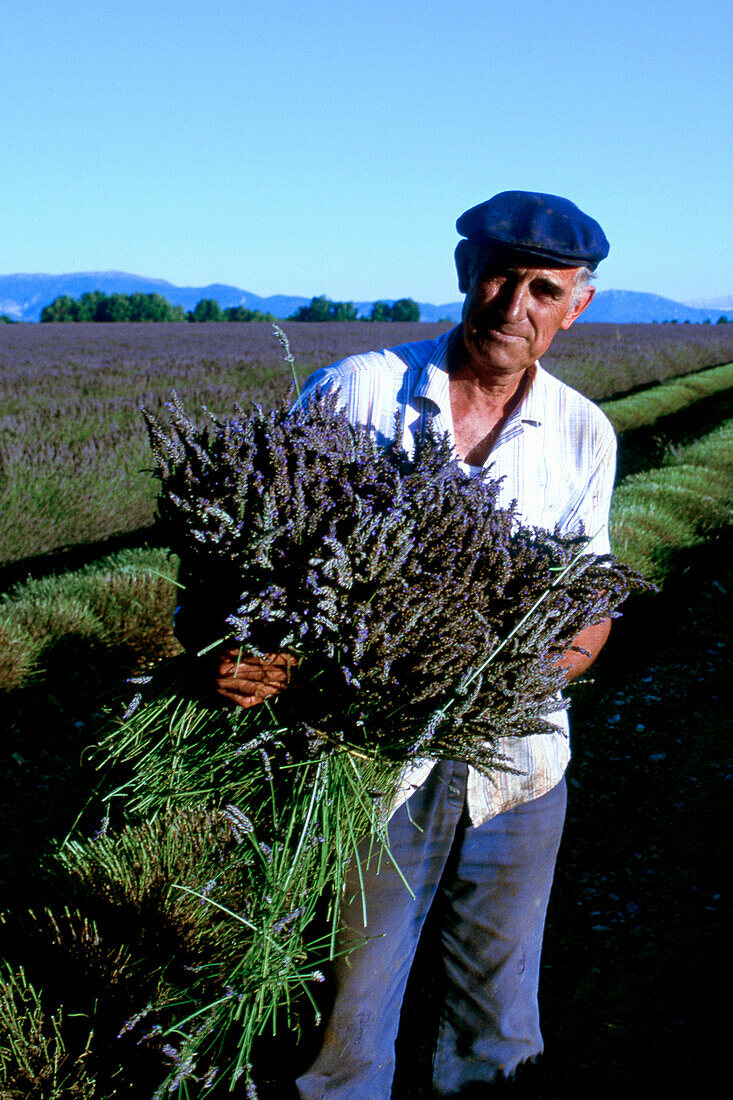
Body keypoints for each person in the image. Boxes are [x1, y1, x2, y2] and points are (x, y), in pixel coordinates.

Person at [215, 191, 615, 1097]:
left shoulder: (585, 431)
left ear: (576, 306)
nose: (515, 308)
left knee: (502, 1026)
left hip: (517, 763)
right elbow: (264, 562)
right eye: (499, 279)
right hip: (365, 761)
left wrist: (533, 670)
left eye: (544, 291)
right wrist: (253, 655)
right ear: (463, 274)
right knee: (347, 1021)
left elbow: (590, 598)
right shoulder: (356, 390)